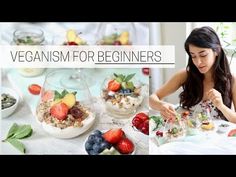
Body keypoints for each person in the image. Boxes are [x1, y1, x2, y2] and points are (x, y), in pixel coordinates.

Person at [149, 26, 236, 123]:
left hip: (216, 136)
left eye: (203, 55)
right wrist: (162, 106)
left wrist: (221, 106)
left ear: (216, 51)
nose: (198, 62)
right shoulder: (185, 75)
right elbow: (153, 98)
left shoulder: (231, 80)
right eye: (193, 56)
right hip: (185, 134)